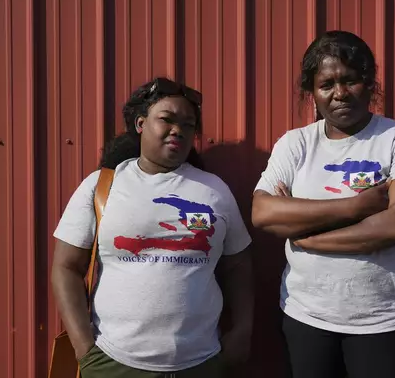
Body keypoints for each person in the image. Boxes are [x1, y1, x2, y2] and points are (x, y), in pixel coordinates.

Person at [251, 30, 395, 378]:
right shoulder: (296, 144)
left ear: (369, 84)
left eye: (350, 80)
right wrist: (357, 207)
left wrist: (307, 236)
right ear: (313, 93)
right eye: (326, 84)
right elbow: (263, 213)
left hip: (384, 320)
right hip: (306, 315)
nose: (339, 93)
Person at [51, 77, 253, 377]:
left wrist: (242, 331)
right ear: (141, 124)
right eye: (167, 120)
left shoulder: (214, 191)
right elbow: (65, 267)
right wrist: (86, 350)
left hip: (202, 362)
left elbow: (238, 264)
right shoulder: (102, 186)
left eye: (188, 124)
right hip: (115, 363)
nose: (178, 130)